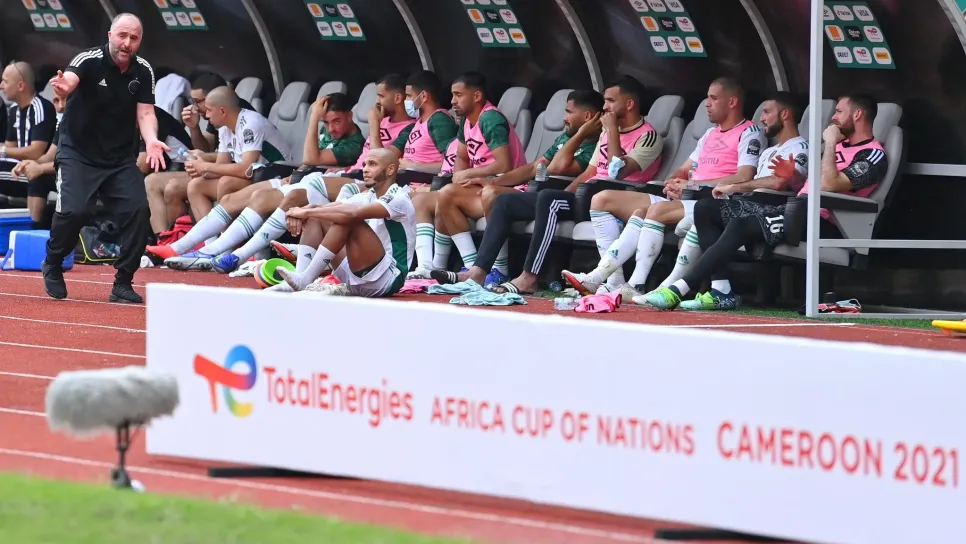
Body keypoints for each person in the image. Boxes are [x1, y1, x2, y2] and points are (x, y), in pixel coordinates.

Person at [643, 93, 887, 310]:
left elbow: (830, 185)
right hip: (795, 209)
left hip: (826, 222)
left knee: (741, 224)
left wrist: (831, 142)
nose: (833, 118)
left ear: (857, 114)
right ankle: (721, 290)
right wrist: (794, 178)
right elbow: (809, 185)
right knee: (707, 208)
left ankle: (677, 289)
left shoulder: (873, 154)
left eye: (839, 112)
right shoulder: (834, 148)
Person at [562, 76, 766, 297]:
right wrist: (673, 183)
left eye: (713, 98)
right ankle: (609, 280)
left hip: (715, 201)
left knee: (656, 210)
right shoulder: (709, 134)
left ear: (732, 102)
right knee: (603, 199)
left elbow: (745, 175)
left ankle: (636, 285)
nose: (707, 104)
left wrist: (692, 185)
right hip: (686, 197)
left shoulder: (750, 132)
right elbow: (683, 169)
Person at [144, 91, 368, 270]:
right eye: (326, 123)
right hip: (301, 177)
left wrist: (313, 120)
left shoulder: (353, 143)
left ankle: (225, 254)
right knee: (232, 198)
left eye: (336, 121)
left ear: (350, 116)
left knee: (250, 192)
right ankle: (191, 249)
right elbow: (308, 164)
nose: (331, 128)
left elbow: (310, 158)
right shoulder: (330, 133)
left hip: (291, 175)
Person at [418, 89, 604, 290]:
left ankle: (522, 276)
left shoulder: (593, 143)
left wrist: (581, 134)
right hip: (541, 194)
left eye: (569, 112)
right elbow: (535, 167)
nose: (564, 118)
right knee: (497, 200)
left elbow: (557, 167)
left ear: (587, 117)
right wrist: (493, 181)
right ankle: (476, 272)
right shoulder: (564, 138)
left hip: (571, 200)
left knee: (541, 197)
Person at [43, 13, 167, 303]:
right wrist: (64, 86)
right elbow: (70, 78)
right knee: (75, 211)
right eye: (122, 36)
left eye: (133, 38)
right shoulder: (89, 59)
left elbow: (146, 113)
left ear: (140, 41)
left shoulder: (143, 70)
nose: (127, 43)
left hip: (119, 158)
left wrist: (151, 141)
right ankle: (53, 262)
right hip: (78, 152)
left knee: (139, 211)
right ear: (110, 35)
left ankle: (123, 282)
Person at [414, 71, 526, 281]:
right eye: (452, 95)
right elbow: (461, 157)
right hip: (481, 186)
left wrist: (467, 173)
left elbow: (504, 164)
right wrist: (460, 175)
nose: (452, 101)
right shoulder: (466, 120)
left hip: (509, 187)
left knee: (449, 194)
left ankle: (492, 269)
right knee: (430, 199)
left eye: (458, 95)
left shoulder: (490, 118)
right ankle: (452, 267)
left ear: (477, 96)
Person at [277, 148, 415, 297]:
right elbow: (327, 208)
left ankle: (305, 279)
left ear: (390, 170)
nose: (365, 169)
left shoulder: (399, 198)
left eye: (372, 164)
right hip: (358, 275)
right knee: (318, 217)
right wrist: (302, 211)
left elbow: (352, 213)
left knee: (347, 218)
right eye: (364, 164)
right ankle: (300, 278)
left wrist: (305, 212)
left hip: (387, 278)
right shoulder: (369, 196)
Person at [0, 60, 58, 225]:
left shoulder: (41, 108)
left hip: (39, 170)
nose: (1, 86)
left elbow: (36, 151)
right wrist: (7, 151)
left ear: (20, 86)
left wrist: (3, 151)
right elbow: (10, 147)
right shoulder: (14, 110)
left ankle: (31, 229)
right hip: (21, 167)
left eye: (5, 81)